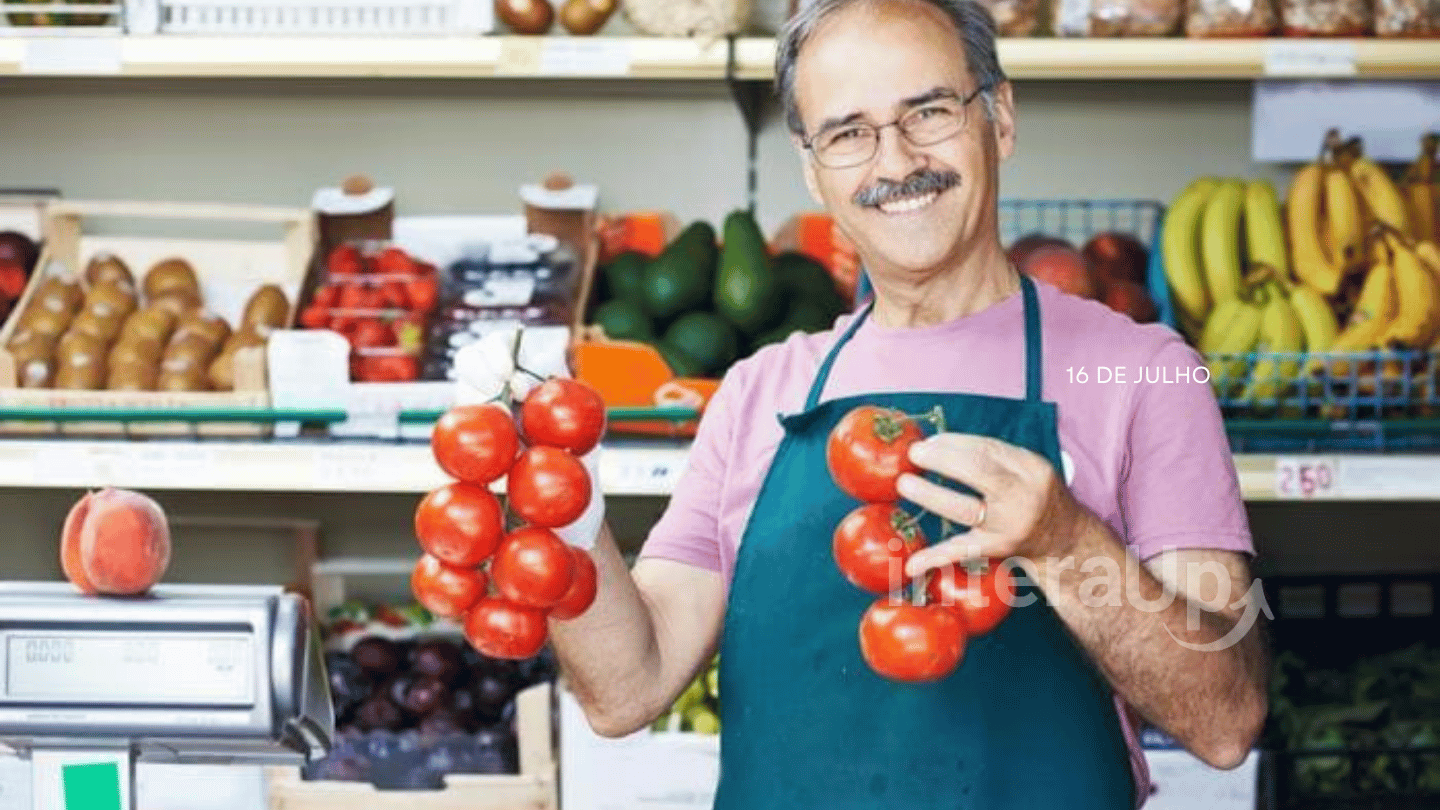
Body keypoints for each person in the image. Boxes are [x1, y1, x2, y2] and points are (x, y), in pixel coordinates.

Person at [466, 0, 1269, 806]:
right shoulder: (760, 392)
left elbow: (1226, 720)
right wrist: (556, 501)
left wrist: (1064, 543)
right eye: (848, 132)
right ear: (813, 168)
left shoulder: (1144, 373)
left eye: (927, 111)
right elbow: (625, 690)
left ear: (1001, 118)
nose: (895, 160)